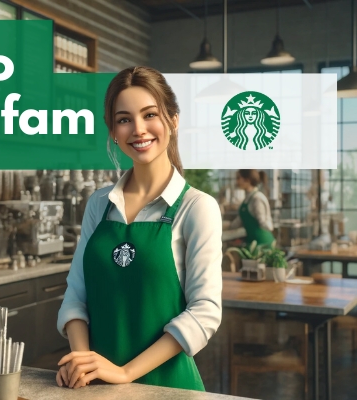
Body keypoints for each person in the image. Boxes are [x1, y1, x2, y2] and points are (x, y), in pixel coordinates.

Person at [55, 66, 222, 391]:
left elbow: (204, 312)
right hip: (97, 387)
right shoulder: (99, 205)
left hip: (169, 389)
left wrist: (124, 373)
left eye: (150, 115)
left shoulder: (196, 207)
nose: (138, 129)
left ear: (173, 120)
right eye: (124, 119)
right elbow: (76, 295)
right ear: (113, 130)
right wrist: (81, 361)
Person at [230, 169, 274, 246]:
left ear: (247, 180)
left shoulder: (257, 198)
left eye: (238, 178)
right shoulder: (247, 199)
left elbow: (267, 225)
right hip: (252, 243)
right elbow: (238, 222)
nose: (237, 181)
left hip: (263, 243)